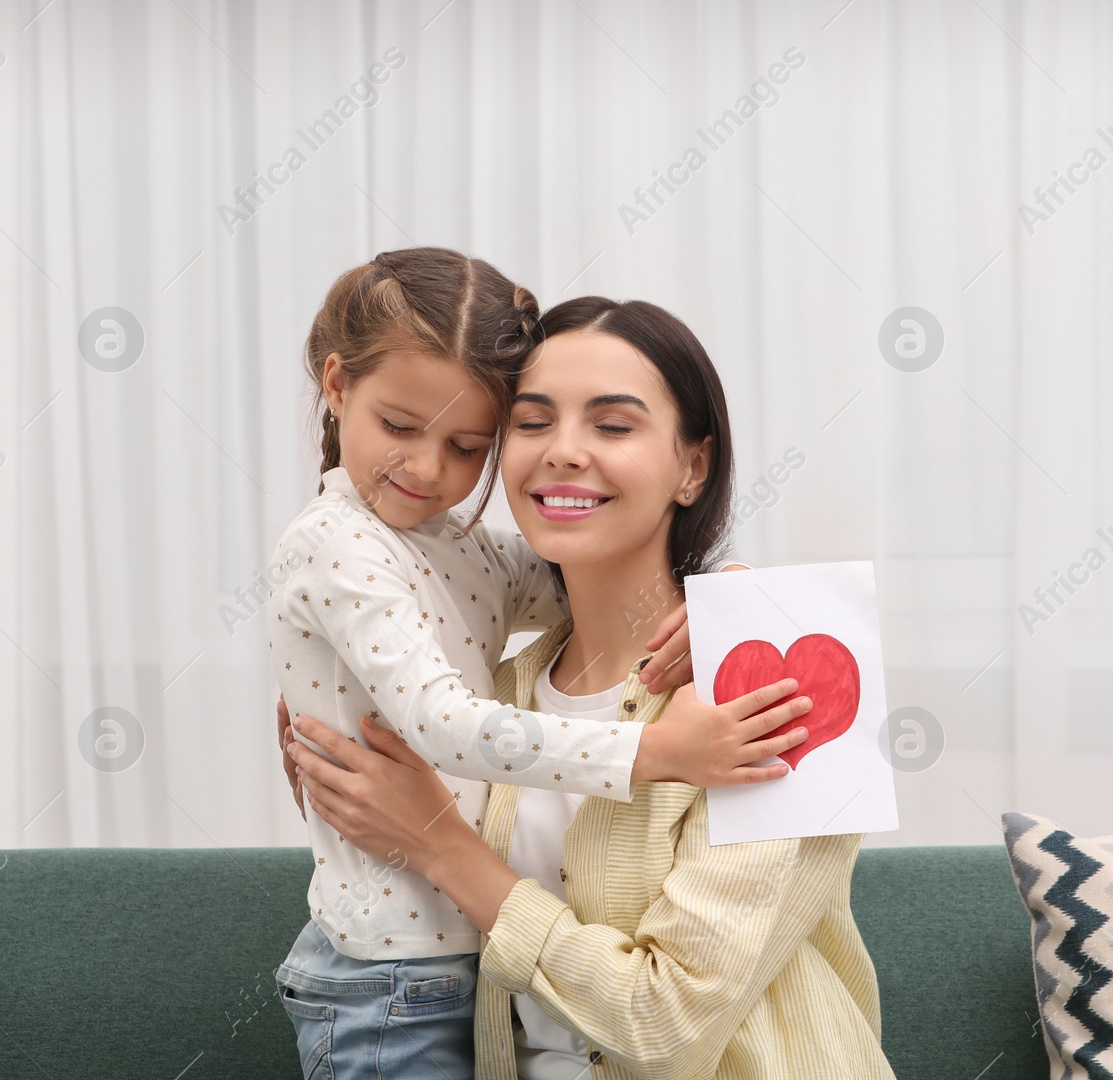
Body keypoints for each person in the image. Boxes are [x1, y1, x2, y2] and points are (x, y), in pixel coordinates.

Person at [286, 296, 895, 1079]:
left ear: (692, 466)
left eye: (613, 426)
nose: (564, 452)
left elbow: (666, 1027)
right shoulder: (492, 694)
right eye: (532, 423)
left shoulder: (780, 680)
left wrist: (442, 847)